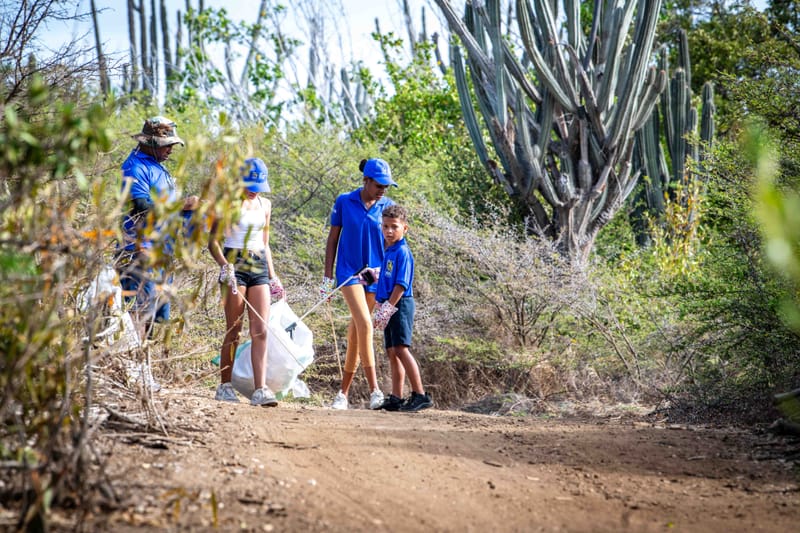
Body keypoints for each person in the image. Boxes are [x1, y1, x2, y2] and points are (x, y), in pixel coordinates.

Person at [208, 157, 285, 407]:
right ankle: (225, 385)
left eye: (258, 186)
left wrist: (273, 276)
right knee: (234, 328)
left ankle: (260, 389)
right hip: (235, 263)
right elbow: (213, 242)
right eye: (250, 185)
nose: (254, 191)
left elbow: (265, 243)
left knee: (260, 329)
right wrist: (225, 266)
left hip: (258, 265)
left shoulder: (265, 205)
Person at [322, 158, 396, 410]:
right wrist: (327, 277)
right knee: (365, 323)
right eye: (378, 185)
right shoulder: (345, 201)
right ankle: (375, 390)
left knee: (356, 332)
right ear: (366, 180)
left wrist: (386, 273)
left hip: (375, 276)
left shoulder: (387, 206)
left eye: (386, 186)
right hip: (349, 273)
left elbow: (392, 244)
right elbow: (333, 240)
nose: (382, 190)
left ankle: (342, 394)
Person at [117, 115, 198, 340]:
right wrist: (182, 204)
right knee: (141, 314)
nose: (170, 150)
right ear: (150, 143)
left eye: (171, 145)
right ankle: (136, 359)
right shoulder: (135, 167)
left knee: (160, 319)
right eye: (166, 145)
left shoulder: (158, 169)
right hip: (141, 252)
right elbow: (141, 207)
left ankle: (153, 360)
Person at [373, 204, 433, 412]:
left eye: (394, 227)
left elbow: (401, 284)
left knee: (401, 348)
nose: (389, 231)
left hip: (400, 303)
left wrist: (388, 307)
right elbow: (387, 278)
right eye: (385, 226)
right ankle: (396, 397)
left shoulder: (403, 252)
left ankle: (420, 395)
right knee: (391, 351)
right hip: (388, 303)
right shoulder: (388, 250)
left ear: (404, 228)